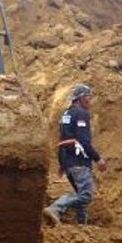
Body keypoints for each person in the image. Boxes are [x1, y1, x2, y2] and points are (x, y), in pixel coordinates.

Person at [43, 83, 105, 227]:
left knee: (81, 195)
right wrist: (98, 158)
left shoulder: (66, 114)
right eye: (89, 97)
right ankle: (55, 208)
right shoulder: (81, 113)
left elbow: (63, 139)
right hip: (78, 160)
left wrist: (63, 164)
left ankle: (82, 226)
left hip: (68, 160)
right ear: (81, 98)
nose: (90, 100)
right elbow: (83, 141)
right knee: (86, 195)